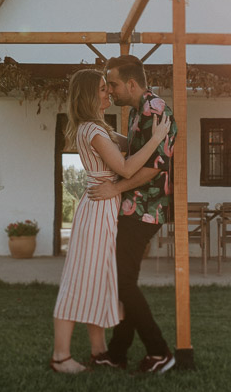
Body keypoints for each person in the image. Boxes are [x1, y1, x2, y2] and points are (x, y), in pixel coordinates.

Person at [50, 69, 170, 374]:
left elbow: (129, 145)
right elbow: (127, 168)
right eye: (103, 89)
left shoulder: (97, 127)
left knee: (98, 280)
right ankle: (61, 357)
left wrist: (146, 129)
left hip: (103, 206)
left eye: (109, 87)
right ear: (90, 95)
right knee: (81, 280)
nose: (109, 94)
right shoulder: (93, 130)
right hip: (100, 208)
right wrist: (157, 138)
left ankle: (100, 350)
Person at [86, 54, 178, 374]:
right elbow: (138, 150)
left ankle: (160, 351)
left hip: (145, 210)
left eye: (112, 84)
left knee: (123, 282)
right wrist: (111, 139)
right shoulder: (138, 111)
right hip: (133, 208)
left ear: (132, 83)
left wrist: (115, 188)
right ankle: (117, 353)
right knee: (123, 281)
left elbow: (155, 167)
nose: (110, 91)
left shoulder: (155, 110)